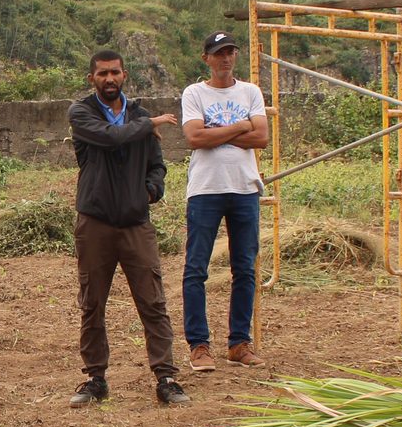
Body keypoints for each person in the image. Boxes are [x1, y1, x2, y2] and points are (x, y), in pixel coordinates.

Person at [68, 50, 188, 407]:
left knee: (153, 301)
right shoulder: (82, 113)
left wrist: (150, 191)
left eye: (115, 72)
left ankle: (166, 378)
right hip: (95, 223)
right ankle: (95, 378)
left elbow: (157, 165)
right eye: (102, 73)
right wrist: (150, 124)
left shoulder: (139, 115)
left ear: (125, 75)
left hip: (136, 224)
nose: (109, 79)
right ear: (91, 78)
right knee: (92, 303)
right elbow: (111, 137)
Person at [181, 32, 269, 372]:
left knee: (244, 268)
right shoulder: (194, 93)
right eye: (219, 53)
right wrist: (241, 126)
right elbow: (194, 137)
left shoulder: (250, 91)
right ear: (206, 58)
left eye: (230, 52)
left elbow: (261, 137)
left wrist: (216, 131)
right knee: (196, 269)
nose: (226, 58)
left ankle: (239, 343)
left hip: (244, 188)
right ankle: (199, 345)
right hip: (205, 189)